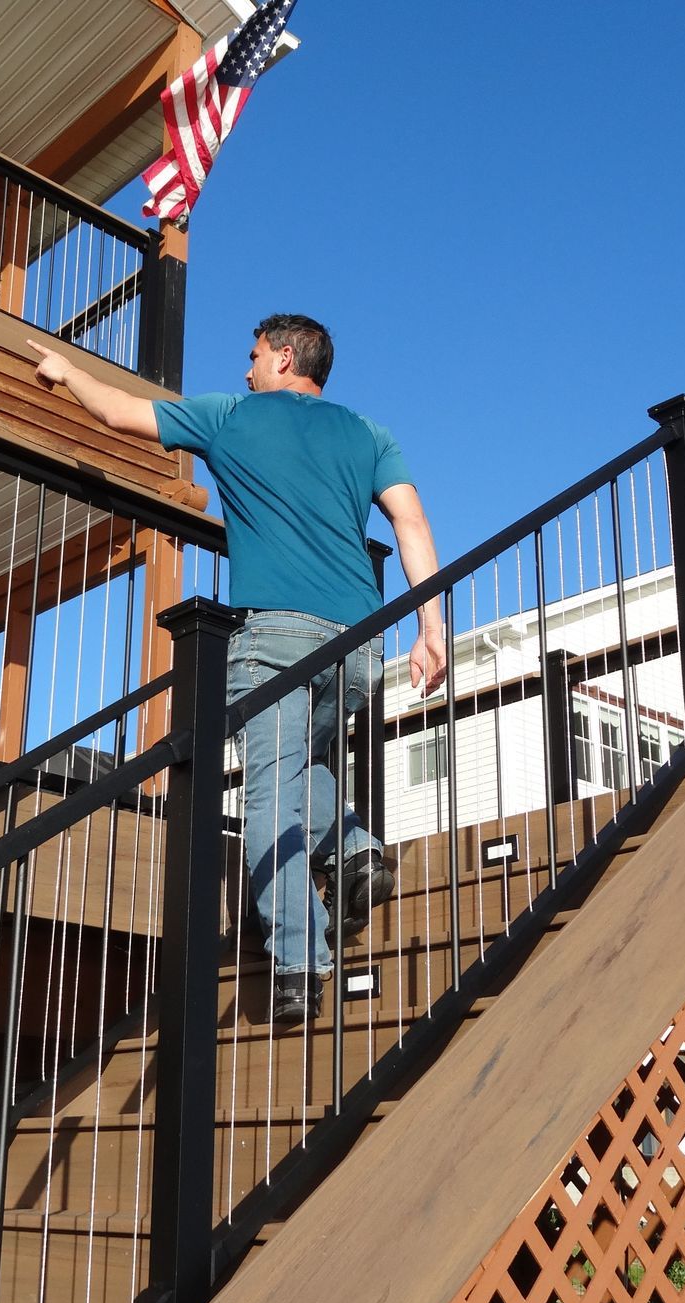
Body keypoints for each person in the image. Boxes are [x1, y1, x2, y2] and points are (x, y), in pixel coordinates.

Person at [27, 316, 446, 1022]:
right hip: (360, 643)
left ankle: (297, 959)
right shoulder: (368, 433)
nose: (246, 368)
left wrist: (69, 374)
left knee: (265, 799)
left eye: (253, 356)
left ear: (283, 358)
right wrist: (431, 625)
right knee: (295, 772)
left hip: (276, 637)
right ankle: (356, 851)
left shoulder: (230, 415)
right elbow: (410, 522)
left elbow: (117, 412)